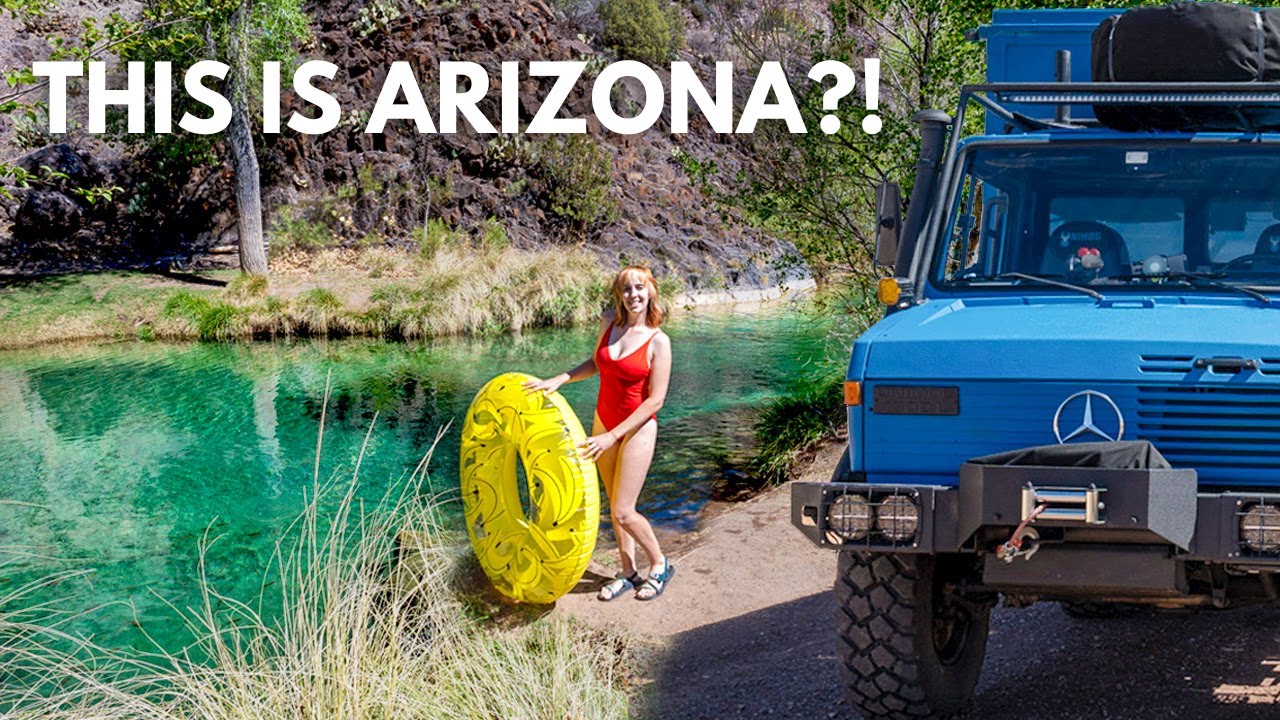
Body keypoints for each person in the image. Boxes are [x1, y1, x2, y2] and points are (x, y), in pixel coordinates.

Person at [523, 265, 675, 601]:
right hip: (602, 421)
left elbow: (656, 400)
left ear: (651, 290)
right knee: (611, 502)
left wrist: (612, 436)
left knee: (624, 509)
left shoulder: (658, 341)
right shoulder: (610, 322)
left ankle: (660, 564)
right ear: (618, 294)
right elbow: (595, 363)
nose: (633, 295)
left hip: (636, 428)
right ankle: (628, 571)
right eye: (626, 289)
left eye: (639, 287)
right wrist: (560, 378)